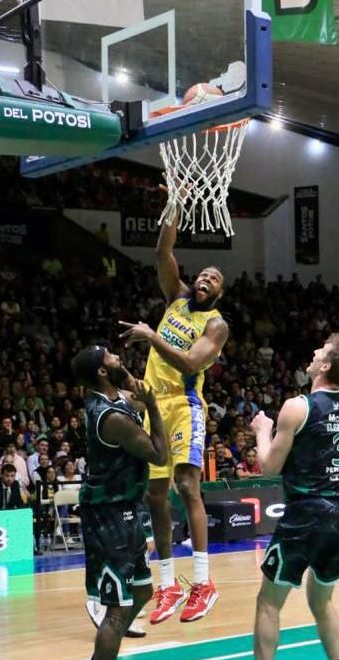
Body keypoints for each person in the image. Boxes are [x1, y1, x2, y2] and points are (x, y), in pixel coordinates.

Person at [119, 206, 228, 624]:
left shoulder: (216, 326)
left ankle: (203, 583)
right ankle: (167, 585)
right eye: (202, 274)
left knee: (187, 486)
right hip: (153, 406)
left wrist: (150, 335)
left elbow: (188, 364)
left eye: (214, 278)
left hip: (185, 407)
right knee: (155, 497)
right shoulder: (176, 299)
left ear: (220, 292)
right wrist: (172, 209)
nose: (205, 278)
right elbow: (162, 252)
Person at [250, 333, 339, 660]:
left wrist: (262, 430)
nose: (314, 352)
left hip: (308, 514)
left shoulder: (297, 406)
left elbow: (269, 466)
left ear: (325, 365)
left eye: (320, 351)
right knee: (322, 599)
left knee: (269, 602)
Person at [71, 345, 168, 660]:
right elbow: (158, 455)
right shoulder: (110, 416)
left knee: (143, 590)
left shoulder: (116, 399)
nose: (117, 356)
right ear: (101, 371)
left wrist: (128, 378)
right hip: (107, 513)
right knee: (116, 611)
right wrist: (154, 408)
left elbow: (137, 393)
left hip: (124, 508)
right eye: (110, 355)